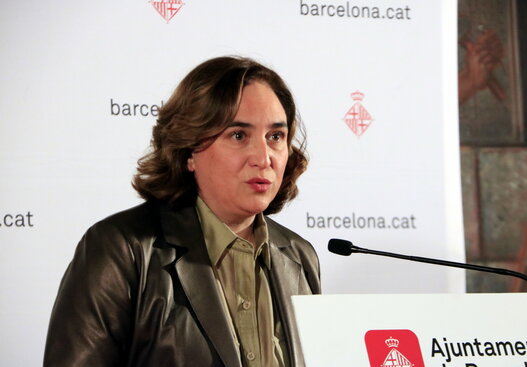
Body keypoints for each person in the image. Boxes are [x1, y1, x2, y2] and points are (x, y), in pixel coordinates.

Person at [44, 56, 321, 367]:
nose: (263, 157)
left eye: (275, 137)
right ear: (190, 150)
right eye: (239, 135)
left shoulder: (299, 256)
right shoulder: (121, 249)